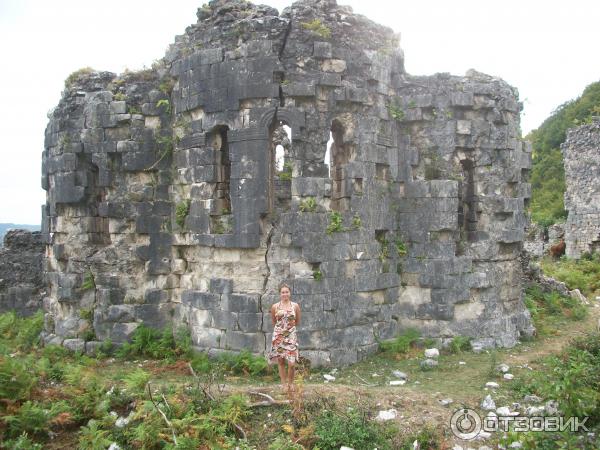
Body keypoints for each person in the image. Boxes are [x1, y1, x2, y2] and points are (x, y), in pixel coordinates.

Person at [268, 282, 301, 393]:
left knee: (291, 363)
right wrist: (281, 332)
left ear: (290, 293)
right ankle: (284, 384)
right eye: (282, 292)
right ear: (280, 294)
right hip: (279, 337)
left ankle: (291, 383)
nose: (285, 294)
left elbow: (297, 321)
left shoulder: (295, 306)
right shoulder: (275, 307)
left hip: (291, 336)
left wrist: (289, 330)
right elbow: (274, 321)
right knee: (281, 361)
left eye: (286, 292)